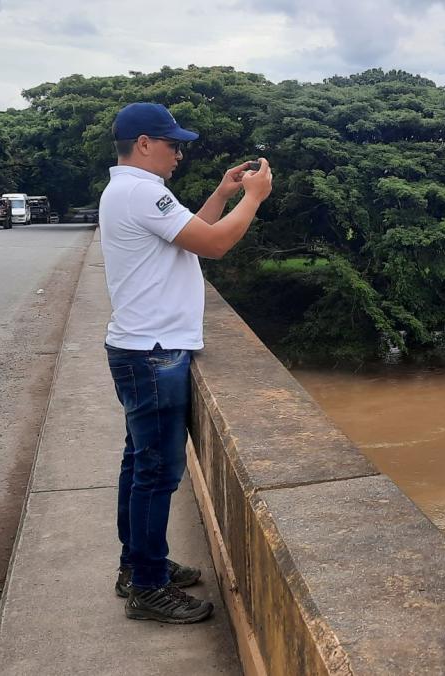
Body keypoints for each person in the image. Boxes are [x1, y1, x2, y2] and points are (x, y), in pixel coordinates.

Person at [98, 102, 273, 623]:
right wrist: (254, 199)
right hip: (153, 353)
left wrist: (223, 193)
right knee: (156, 472)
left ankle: (138, 566)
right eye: (173, 144)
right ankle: (148, 587)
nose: (179, 153)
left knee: (139, 464)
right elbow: (215, 244)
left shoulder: (127, 190)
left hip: (139, 347)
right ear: (146, 142)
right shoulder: (142, 191)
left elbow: (190, 236)